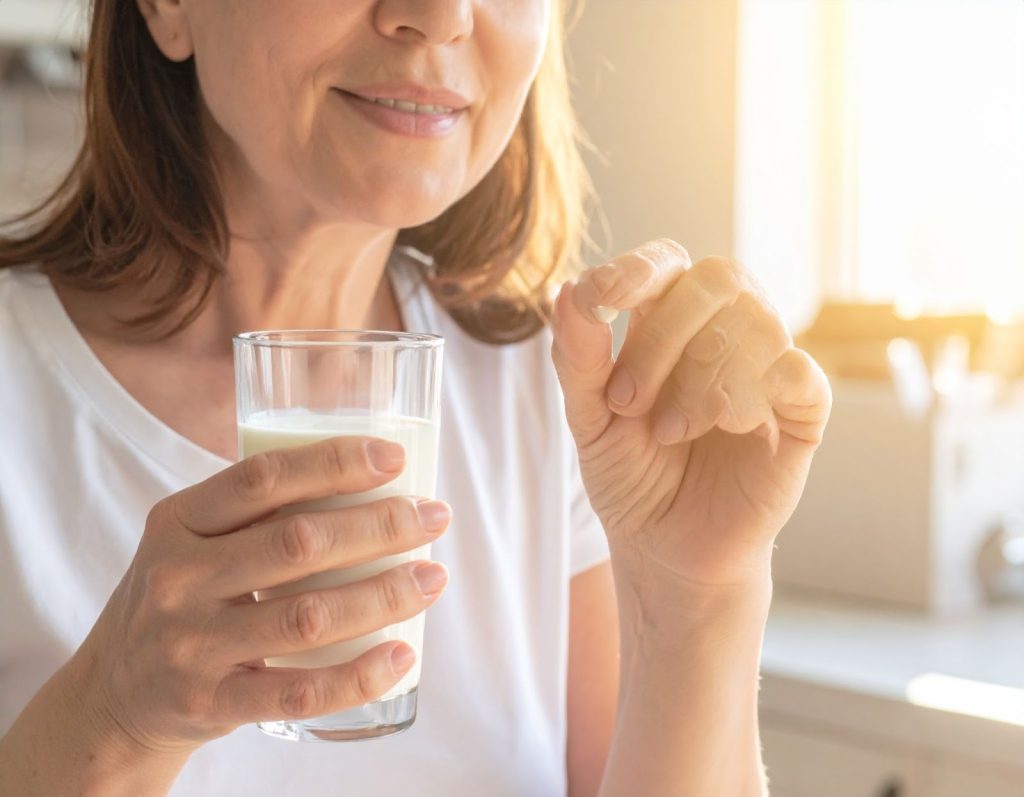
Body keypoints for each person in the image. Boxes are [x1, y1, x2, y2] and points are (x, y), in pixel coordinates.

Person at [0, 1, 832, 795]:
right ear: (166, 5)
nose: (441, 15)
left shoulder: (560, 391)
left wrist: (700, 596)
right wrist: (113, 716)